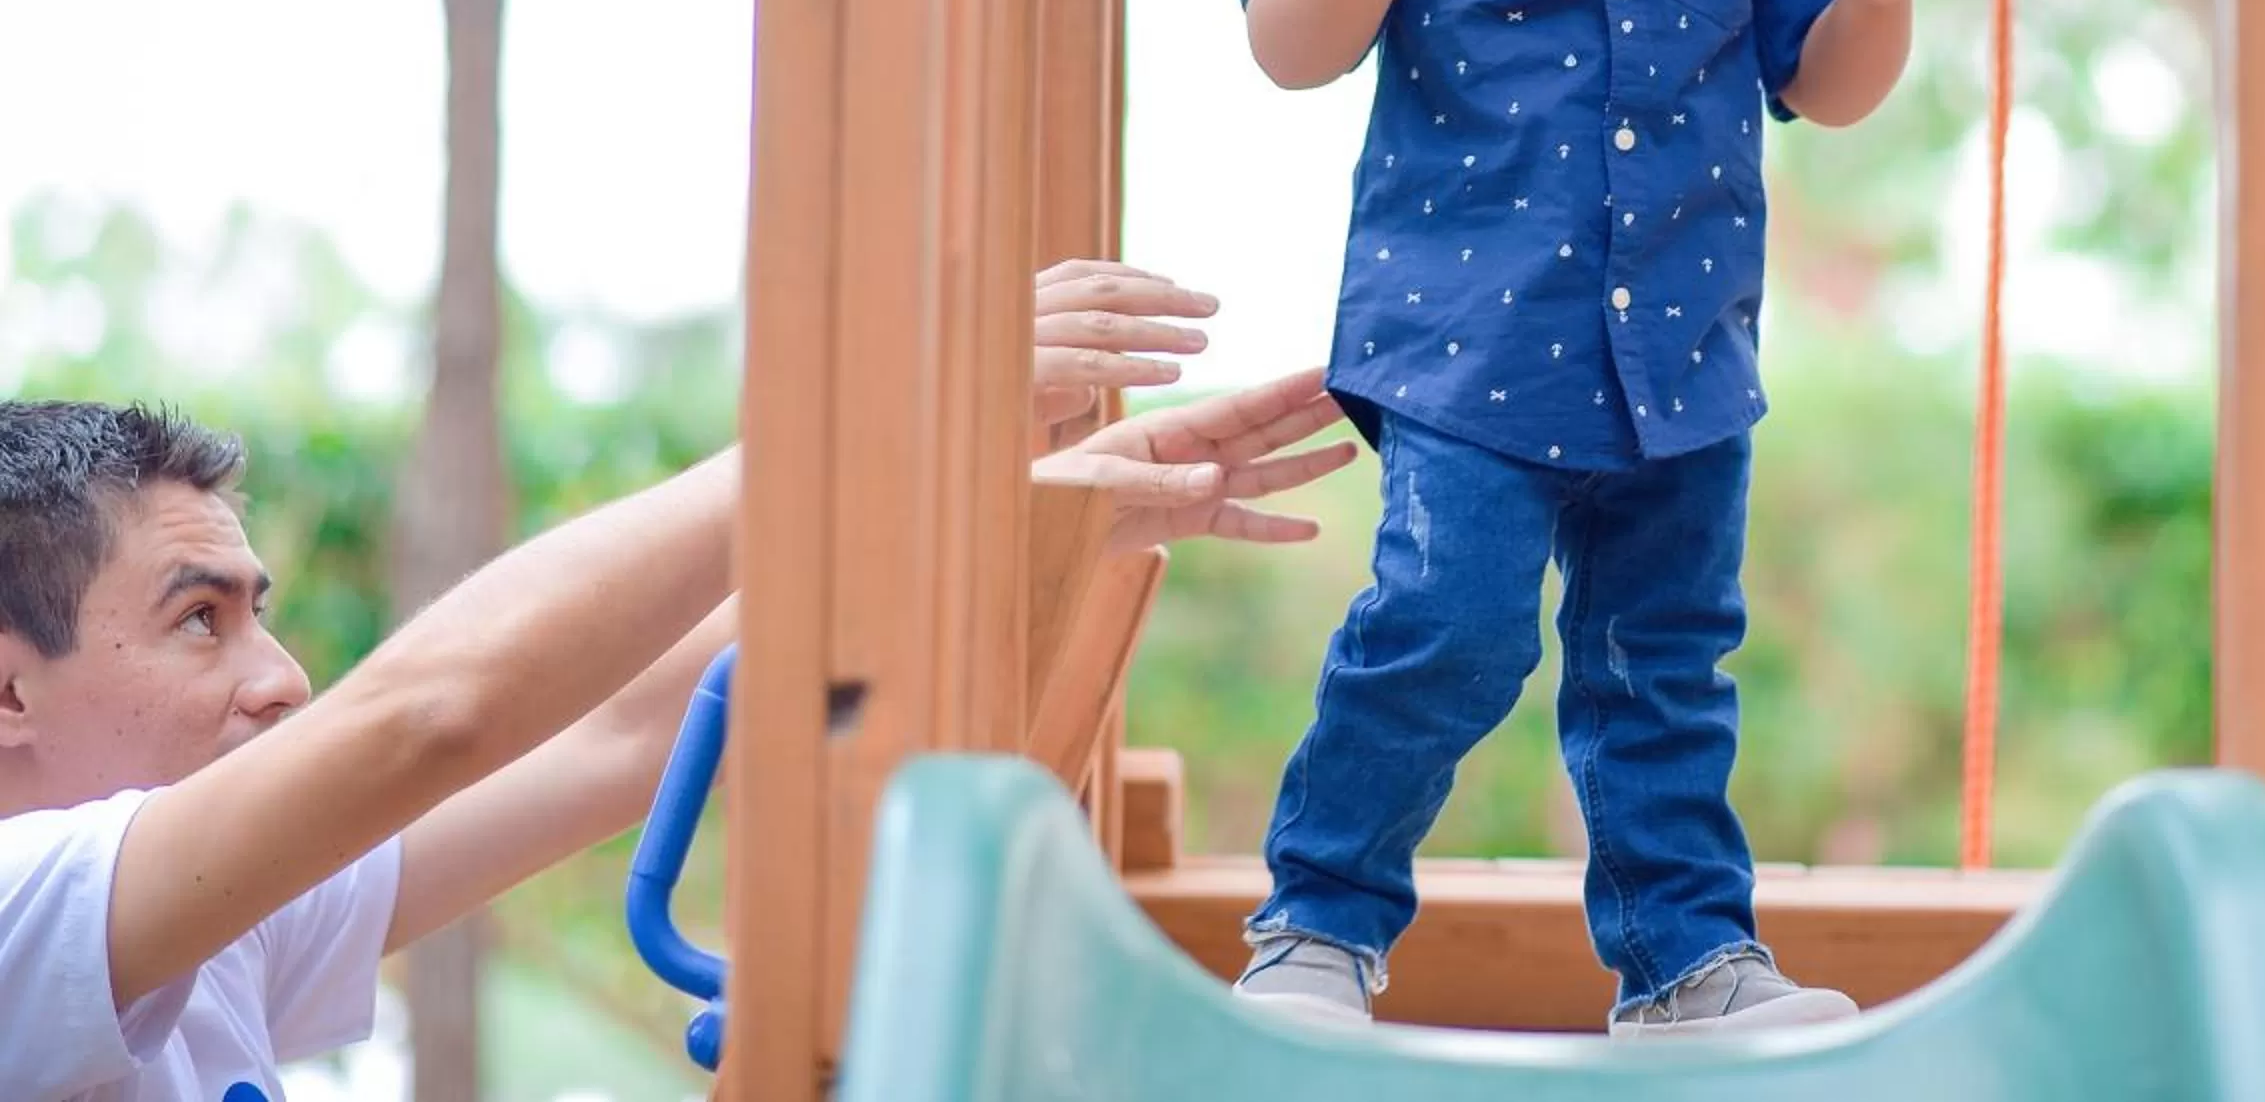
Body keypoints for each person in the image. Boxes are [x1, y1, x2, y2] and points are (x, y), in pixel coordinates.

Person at [1231, 0, 1928, 1036]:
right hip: (1469, 352)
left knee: (1664, 675)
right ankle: (1316, 930)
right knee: (1448, 626)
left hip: (1682, 362)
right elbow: (1288, 41)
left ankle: (1687, 960)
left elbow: (1821, 85)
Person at [0, 260, 1350, 1102]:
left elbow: (620, 723)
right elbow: (430, 714)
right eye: (198, 621)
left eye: (259, 615)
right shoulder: (22, 917)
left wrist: (1031, 516)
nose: (281, 678)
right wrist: (871, 410)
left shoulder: (219, 928)